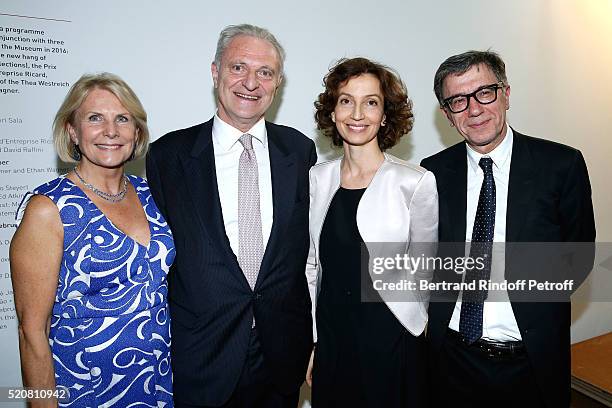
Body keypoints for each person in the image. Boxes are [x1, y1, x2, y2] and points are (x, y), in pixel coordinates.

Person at [146, 24, 317, 408]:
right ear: (215, 71)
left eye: (265, 73)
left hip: (280, 355)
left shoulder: (300, 151)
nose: (251, 83)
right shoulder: (168, 156)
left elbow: (305, 256)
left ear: (278, 83)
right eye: (238, 67)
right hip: (202, 355)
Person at [421, 50, 596, 408]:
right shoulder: (433, 172)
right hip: (451, 361)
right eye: (458, 101)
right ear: (447, 115)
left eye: (485, 92)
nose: (474, 109)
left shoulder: (561, 165)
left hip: (530, 363)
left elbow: (578, 257)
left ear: (506, 94)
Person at [10, 73, 174, 407]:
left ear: (137, 131)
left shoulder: (150, 194)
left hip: (158, 384)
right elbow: (31, 334)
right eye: (95, 118)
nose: (111, 131)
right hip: (86, 389)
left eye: (122, 119)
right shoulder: (49, 209)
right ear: (72, 130)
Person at [305, 57, 438, 408]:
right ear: (332, 112)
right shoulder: (316, 179)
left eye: (371, 102)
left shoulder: (415, 182)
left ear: (384, 114)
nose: (358, 113)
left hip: (392, 341)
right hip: (334, 340)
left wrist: (414, 328)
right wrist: (314, 341)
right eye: (346, 100)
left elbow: (426, 271)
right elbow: (311, 267)